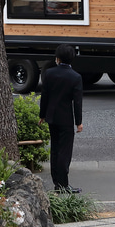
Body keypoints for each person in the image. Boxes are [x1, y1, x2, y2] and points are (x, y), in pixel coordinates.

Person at [39, 44, 84, 193]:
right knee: (65, 151)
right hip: (66, 118)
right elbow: (77, 102)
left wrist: (42, 115)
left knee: (55, 149)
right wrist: (79, 122)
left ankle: (57, 183)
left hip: (51, 117)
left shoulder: (49, 73)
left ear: (57, 59)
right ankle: (64, 184)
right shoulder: (75, 77)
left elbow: (45, 96)